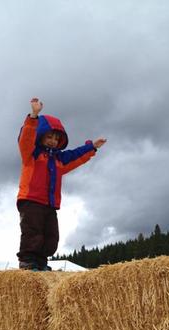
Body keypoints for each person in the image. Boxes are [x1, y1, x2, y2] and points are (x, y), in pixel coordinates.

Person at [16, 98, 107, 271]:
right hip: (31, 201)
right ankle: (27, 263)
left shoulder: (59, 160)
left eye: (56, 138)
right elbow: (26, 139)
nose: (52, 141)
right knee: (32, 232)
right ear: (41, 136)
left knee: (51, 237)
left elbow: (75, 156)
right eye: (49, 137)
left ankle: (41, 263)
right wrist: (34, 116)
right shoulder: (32, 155)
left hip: (50, 204)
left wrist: (92, 147)